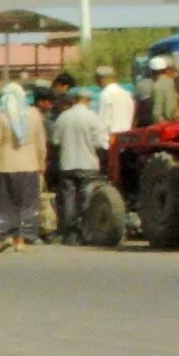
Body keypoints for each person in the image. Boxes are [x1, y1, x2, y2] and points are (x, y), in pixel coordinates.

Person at [0, 80, 46, 249]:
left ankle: (7, 235)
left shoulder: (0, 116)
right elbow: (41, 143)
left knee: (6, 202)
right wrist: (42, 163)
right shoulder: (34, 114)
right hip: (30, 165)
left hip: (6, 165)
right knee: (27, 203)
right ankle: (22, 240)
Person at [49, 85, 108, 243]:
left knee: (69, 199)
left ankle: (71, 234)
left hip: (67, 164)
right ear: (87, 100)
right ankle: (87, 231)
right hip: (88, 165)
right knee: (87, 199)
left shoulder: (63, 117)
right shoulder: (93, 117)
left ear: (74, 100)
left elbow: (55, 141)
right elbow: (101, 143)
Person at [95, 63, 136, 139]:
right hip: (126, 137)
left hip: (111, 139)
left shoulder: (105, 94)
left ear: (102, 79)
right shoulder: (126, 93)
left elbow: (103, 121)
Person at [148, 54, 179, 124]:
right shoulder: (172, 81)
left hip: (169, 123)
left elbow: (157, 113)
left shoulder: (157, 86)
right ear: (165, 69)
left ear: (152, 71)